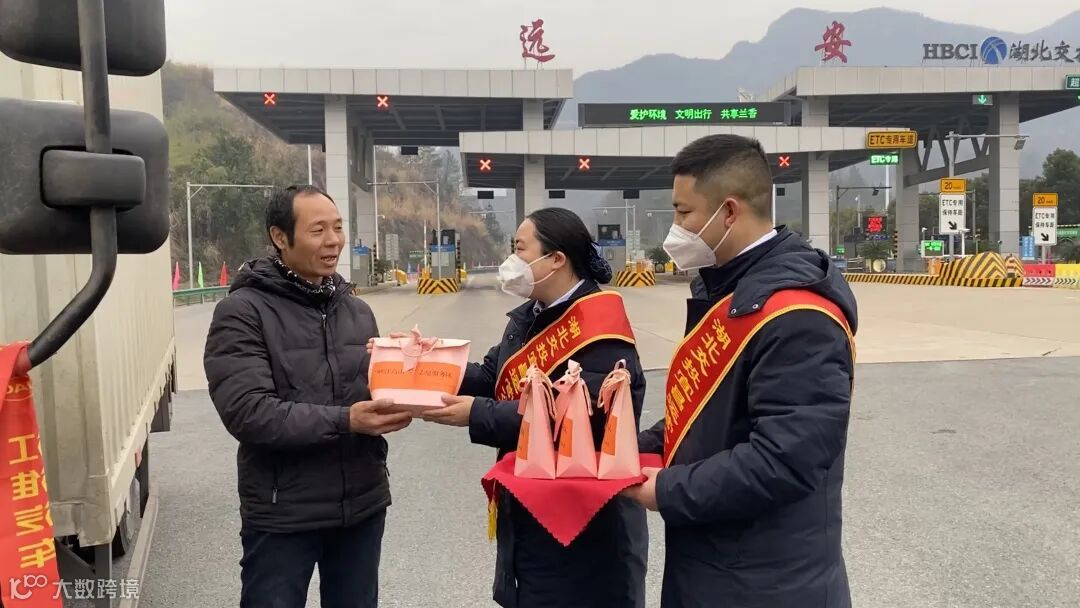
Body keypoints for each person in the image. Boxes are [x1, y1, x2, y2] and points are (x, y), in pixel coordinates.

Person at [622, 134, 858, 608]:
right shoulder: (733, 291)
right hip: (717, 567)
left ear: (728, 212)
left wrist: (666, 490)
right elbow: (710, 414)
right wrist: (628, 444)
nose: (676, 228)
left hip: (769, 584)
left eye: (684, 213)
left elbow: (783, 460)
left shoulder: (797, 315)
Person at [412, 207, 649, 607]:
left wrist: (477, 414)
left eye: (520, 249)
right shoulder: (530, 316)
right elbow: (491, 375)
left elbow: (579, 414)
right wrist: (423, 361)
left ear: (556, 259)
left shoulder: (600, 327)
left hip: (585, 528)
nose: (512, 260)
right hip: (529, 509)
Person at [204, 185, 413, 608]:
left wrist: (407, 364)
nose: (333, 241)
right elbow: (249, 412)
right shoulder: (243, 311)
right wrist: (347, 420)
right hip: (284, 513)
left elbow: (373, 391)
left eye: (337, 228)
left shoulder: (356, 311)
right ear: (280, 237)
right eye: (318, 231)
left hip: (361, 505)